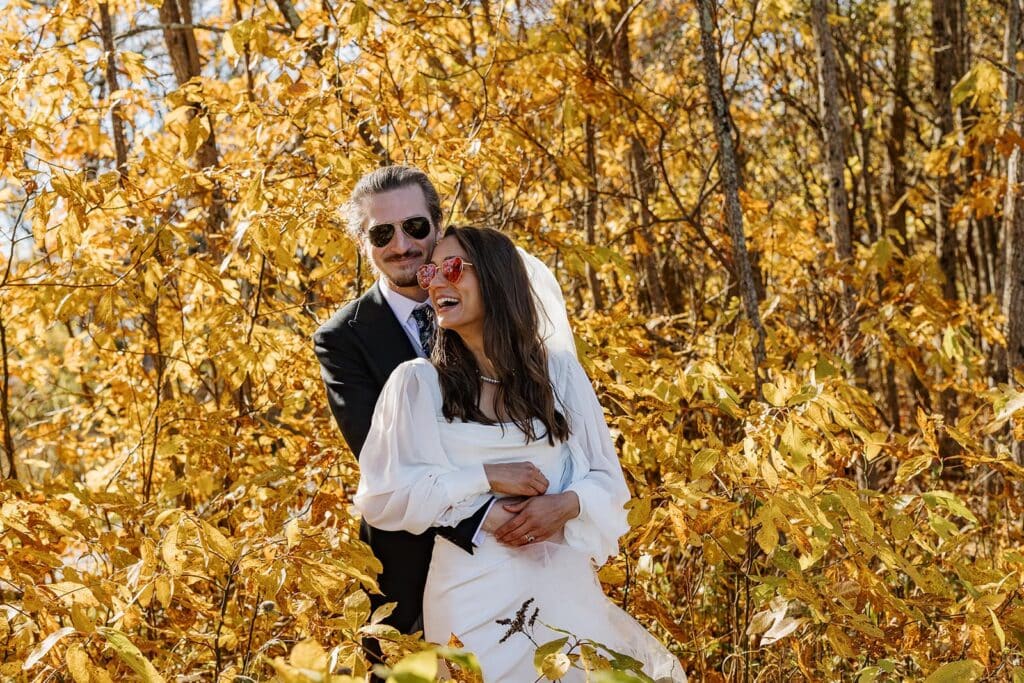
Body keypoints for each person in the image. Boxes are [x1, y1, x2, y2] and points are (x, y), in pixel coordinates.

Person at [354, 226, 686, 681]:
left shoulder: (559, 374)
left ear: (496, 277)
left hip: (562, 588)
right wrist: (486, 476)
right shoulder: (417, 383)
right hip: (469, 597)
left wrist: (567, 504)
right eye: (430, 272)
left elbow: (610, 481)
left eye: (452, 268)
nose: (435, 283)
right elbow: (384, 496)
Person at [313, 166, 579, 642]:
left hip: (536, 556)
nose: (402, 245)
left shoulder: (506, 308)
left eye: (415, 227)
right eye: (381, 233)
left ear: (436, 225)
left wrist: (562, 505)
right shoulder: (341, 339)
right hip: (410, 567)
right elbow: (385, 461)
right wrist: (484, 511)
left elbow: (562, 430)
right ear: (362, 243)